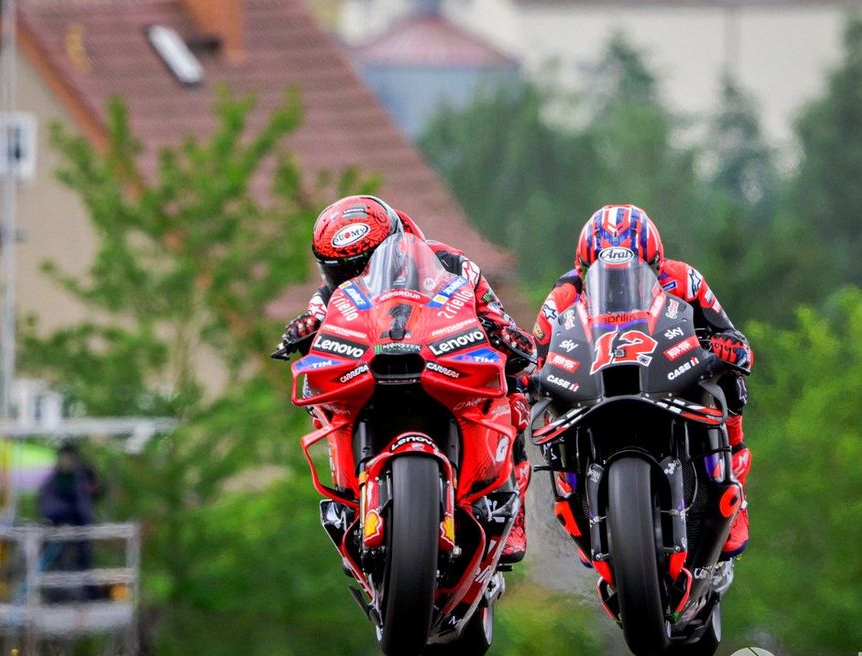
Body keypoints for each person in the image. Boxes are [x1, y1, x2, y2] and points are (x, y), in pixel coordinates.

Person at [272, 195, 536, 562]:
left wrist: (507, 336)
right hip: (370, 366)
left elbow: (496, 314)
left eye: (364, 266)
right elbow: (317, 313)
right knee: (321, 400)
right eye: (340, 271)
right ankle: (351, 499)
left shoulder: (454, 264)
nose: (353, 278)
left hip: (440, 359)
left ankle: (511, 507)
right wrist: (301, 329)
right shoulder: (332, 293)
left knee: (517, 388)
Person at [533, 204, 753, 559]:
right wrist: (531, 376)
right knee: (546, 401)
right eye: (601, 272)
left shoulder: (683, 279)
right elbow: (536, 354)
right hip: (595, 384)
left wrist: (729, 349)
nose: (618, 282)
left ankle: (734, 480)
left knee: (729, 381)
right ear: (584, 270)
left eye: (635, 270)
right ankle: (571, 493)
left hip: (668, 374)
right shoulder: (565, 293)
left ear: (655, 265)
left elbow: (730, 336)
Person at [38, 441, 100, 599]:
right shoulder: (54, 479)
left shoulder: (82, 475)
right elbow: (47, 503)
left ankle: (89, 593)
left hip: (80, 525)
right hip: (58, 525)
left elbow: (96, 490)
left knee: (83, 559)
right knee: (58, 561)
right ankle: (57, 595)